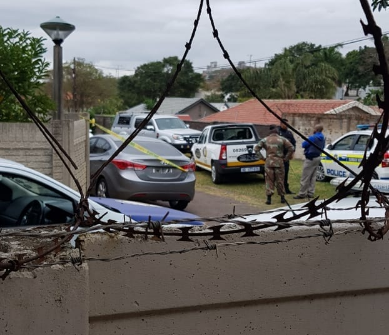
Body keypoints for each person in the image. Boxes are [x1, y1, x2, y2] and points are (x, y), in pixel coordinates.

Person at [255, 124, 294, 205]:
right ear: (277, 132)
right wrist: (286, 158)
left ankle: (269, 198)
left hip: (269, 162)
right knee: (280, 180)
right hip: (279, 162)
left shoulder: (265, 140)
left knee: (269, 180)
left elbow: (256, 149)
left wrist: (262, 158)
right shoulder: (282, 139)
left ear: (270, 132)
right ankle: (282, 197)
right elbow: (291, 148)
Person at [294, 124, 326, 199]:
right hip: (318, 157)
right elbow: (323, 147)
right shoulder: (323, 137)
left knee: (305, 176)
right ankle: (311, 192)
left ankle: (302, 193)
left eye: (314, 128)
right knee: (313, 176)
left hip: (310, 158)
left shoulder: (313, 137)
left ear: (316, 129)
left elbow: (303, 145)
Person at [278, 118, 296, 194]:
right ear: (281, 124)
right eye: (285, 124)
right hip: (278, 157)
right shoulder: (278, 133)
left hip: (286, 156)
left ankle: (286, 189)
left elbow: (294, 143)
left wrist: (292, 153)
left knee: (286, 173)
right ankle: (279, 189)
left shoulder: (289, 133)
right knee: (279, 174)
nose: (287, 126)